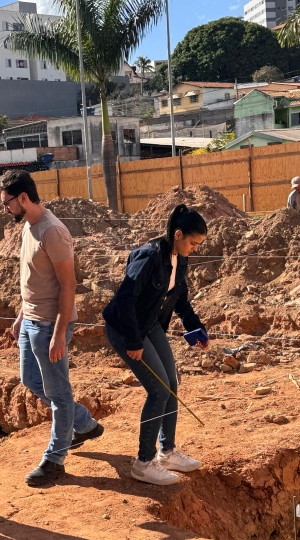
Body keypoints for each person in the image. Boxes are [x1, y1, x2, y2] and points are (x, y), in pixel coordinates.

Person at [0, 169, 103, 486]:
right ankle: (84, 425)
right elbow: (34, 280)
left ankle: (55, 460)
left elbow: (68, 285)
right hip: (30, 321)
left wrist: (58, 333)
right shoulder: (28, 227)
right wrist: (21, 316)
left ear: (23, 198)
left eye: (6, 203)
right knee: (31, 380)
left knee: (59, 394)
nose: (5, 209)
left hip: (49, 326)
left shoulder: (52, 231)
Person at [103, 204, 207, 486]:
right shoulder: (148, 256)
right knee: (158, 389)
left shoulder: (180, 260)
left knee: (171, 383)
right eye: (193, 243)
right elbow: (124, 299)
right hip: (125, 328)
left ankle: (168, 452)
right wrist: (133, 341)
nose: (195, 249)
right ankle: (143, 463)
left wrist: (195, 328)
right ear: (178, 234)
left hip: (149, 325)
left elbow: (180, 300)